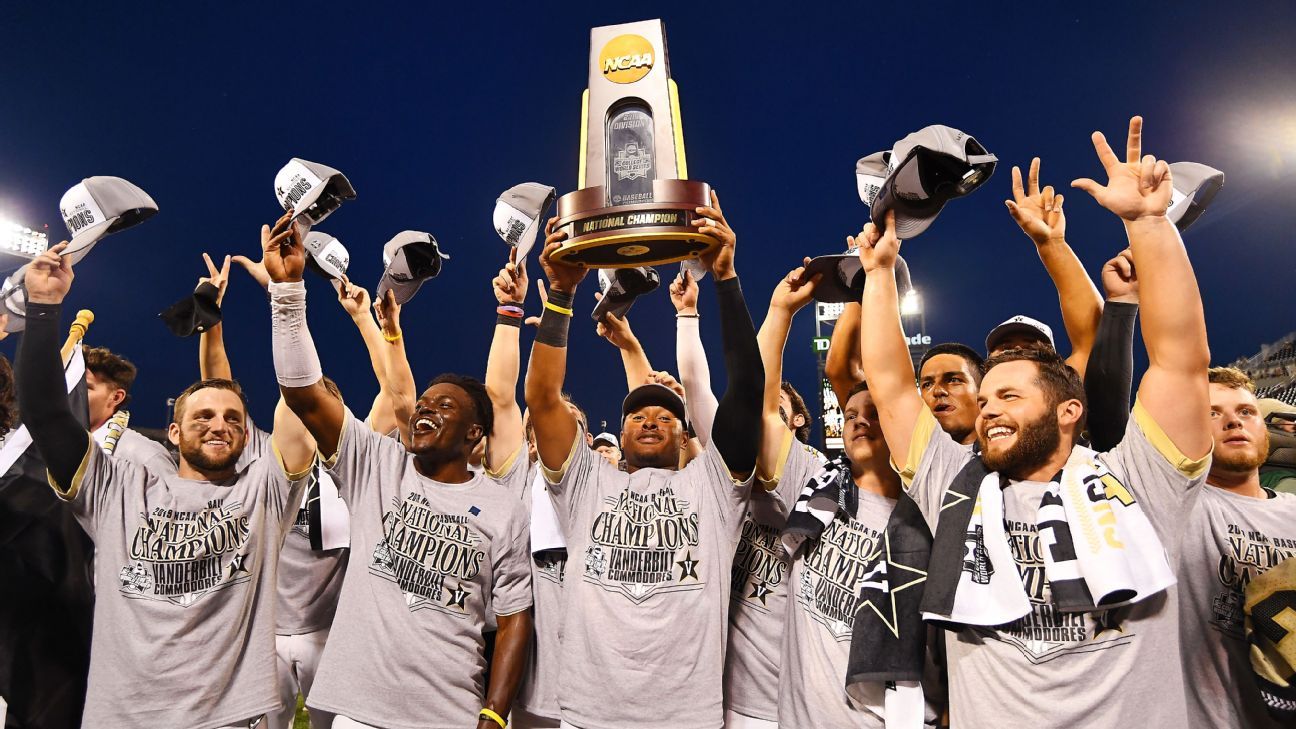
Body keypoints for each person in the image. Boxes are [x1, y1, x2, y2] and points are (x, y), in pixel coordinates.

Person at [860, 116, 1212, 727]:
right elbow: (890, 387)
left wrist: (1149, 223)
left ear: (1070, 410)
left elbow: (1182, 362)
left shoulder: (1141, 481)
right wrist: (878, 273)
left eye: (1010, 396)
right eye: (987, 397)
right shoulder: (953, 486)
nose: (990, 407)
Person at [16, 239, 317, 728]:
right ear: (174, 433)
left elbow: (303, 401)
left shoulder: (264, 493)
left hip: (225, 719)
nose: (218, 425)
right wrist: (44, 308)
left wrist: (286, 294)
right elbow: (47, 414)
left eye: (231, 419)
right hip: (120, 717)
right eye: (203, 415)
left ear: (246, 437)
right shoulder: (117, 487)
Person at [259, 213, 533, 729]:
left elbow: (516, 615)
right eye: (426, 403)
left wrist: (495, 713)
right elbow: (303, 394)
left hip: (447, 711)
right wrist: (288, 291)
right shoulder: (378, 467)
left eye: (447, 407)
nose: (427, 410)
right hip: (358, 711)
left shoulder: (504, 507)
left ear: (476, 434)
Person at [524, 192, 764, 729]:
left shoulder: (714, 488)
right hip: (589, 713)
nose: (651, 418)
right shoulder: (586, 483)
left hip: (686, 717)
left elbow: (747, 388)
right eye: (637, 414)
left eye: (665, 414)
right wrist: (561, 294)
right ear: (622, 430)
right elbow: (541, 398)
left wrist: (725, 278)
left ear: (686, 437)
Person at [718, 259, 821, 728]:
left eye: (783, 409)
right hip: (737, 700)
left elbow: (759, 403)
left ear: (797, 421)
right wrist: (778, 312)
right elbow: (750, 397)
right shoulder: (726, 475)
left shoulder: (818, 476)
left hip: (804, 699)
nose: (769, 416)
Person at [1178, 367, 1296, 729]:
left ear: (1265, 427)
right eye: (1212, 413)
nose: (1233, 421)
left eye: (1246, 411)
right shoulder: (1173, 504)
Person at [83, 345, 175, 473]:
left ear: (116, 397)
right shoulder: (52, 447)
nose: (70, 393)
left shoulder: (145, 457)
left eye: (85, 388)